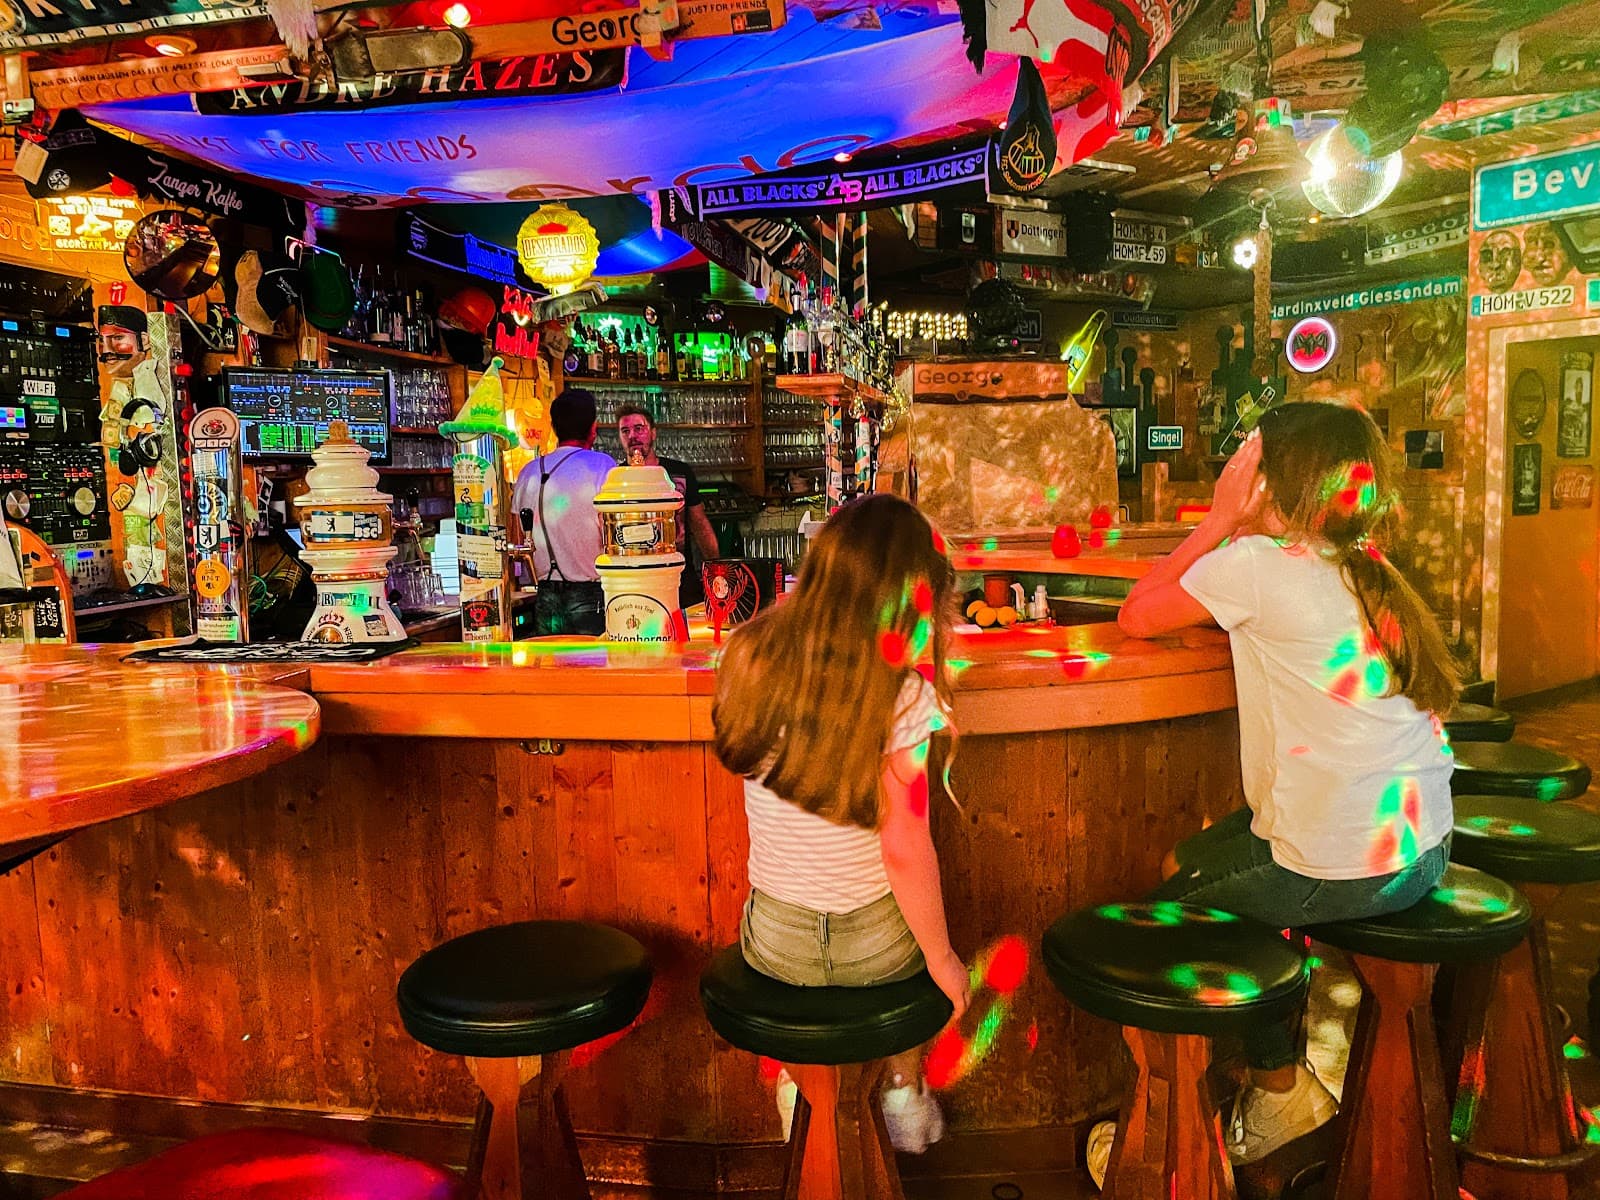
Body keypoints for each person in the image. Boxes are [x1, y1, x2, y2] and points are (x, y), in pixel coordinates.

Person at [1108, 401, 1459, 1172]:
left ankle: (1192, 1128)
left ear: (1273, 481)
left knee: (1169, 922)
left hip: (1345, 865)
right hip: (1424, 845)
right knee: (1190, 863)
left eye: (1248, 462)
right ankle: (1277, 1079)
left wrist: (1219, 519)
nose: (1239, 472)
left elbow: (1138, 616)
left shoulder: (1261, 568)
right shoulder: (1366, 565)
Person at [713, 494, 969, 1154]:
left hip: (776, 940)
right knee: (920, 948)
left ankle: (801, 1095)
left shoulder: (746, 656)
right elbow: (905, 847)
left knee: (815, 929)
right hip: (875, 946)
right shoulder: (904, 692)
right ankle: (904, 1090)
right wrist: (943, 962)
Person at [511, 388, 614, 636]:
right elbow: (613, 537)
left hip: (545, 595)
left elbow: (516, 540)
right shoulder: (603, 466)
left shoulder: (528, 472)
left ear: (554, 429)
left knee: (552, 670)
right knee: (594, 668)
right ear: (593, 427)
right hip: (591, 595)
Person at [616, 404, 720, 608]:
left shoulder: (678, 472)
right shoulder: (617, 478)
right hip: (634, 580)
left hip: (680, 577)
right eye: (625, 431)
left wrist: (716, 568)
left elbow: (699, 523)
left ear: (653, 433)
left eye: (639, 428)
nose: (632, 436)